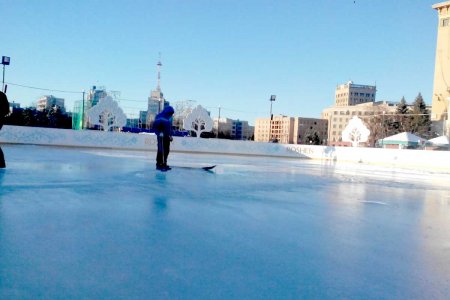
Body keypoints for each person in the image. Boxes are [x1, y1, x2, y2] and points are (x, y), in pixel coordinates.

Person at [152, 106, 175, 171]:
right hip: (161, 136)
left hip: (167, 136)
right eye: (170, 113)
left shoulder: (169, 118)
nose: (171, 115)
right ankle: (159, 164)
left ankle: (164, 163)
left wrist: (170, 135)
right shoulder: (159, 116)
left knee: (167, 150)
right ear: (167, 111)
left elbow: (169, 128)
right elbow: (155, 127)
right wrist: (159, 133)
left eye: (171, 114)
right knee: (161, 150)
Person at [0, 91, 10, 168]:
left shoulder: (1, 95)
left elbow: (6, 110)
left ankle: (1, 164)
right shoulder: (2, 95)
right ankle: (1, 164)